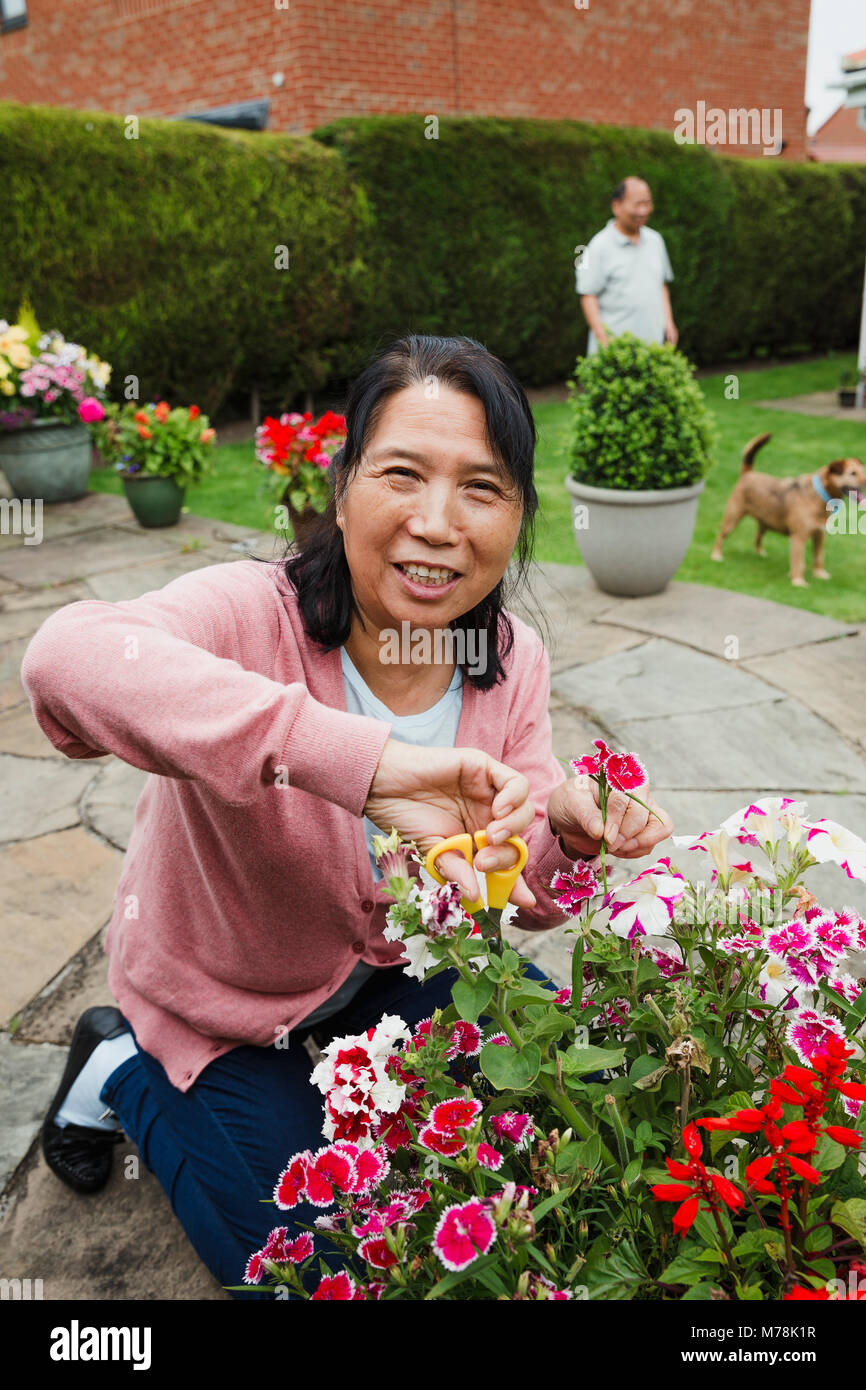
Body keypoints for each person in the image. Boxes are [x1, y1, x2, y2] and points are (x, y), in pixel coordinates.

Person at [20, 333, 674, 1298]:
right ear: (340, 488)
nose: (440, 523)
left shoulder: (512, 657)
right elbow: (66, 661)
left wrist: (567, 835)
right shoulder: (252, 614)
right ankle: (121, 1063)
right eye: (402, 473)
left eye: (483, 488)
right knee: (317, 1273)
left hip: (389, 974)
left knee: (573, 1156)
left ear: (521, 515)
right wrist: (357, 766)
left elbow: (523, 889)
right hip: (229, 1007)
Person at [576, 176, 677, 354]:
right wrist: (603, 338)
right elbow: (587, 295)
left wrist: (668, 321)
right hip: (615, 351)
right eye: (638, 204)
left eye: (647, 203)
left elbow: (661, 284)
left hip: (653, 348)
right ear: (617, 206)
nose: (644, 211)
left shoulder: (655, 240)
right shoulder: (598, 246)